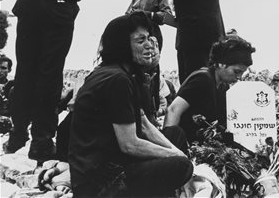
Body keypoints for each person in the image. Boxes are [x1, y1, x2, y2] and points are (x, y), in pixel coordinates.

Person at [69, 12, 193, 197]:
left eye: (149, 39)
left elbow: (144, 125)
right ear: (122, 45)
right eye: (140, 40)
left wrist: (176, 152)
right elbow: (130, 144)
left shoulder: (117, 73)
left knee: (174, 136)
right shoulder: (117, 79)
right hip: (102, 183)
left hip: (112, 166)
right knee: (181, 166)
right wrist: (178, 158)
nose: (149, 45)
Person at [4, 0, 90, 163]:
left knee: (25, 68)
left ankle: (18, 134)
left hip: (27, 2)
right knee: (50, 72)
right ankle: (42, 140)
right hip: (58, 3)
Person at [164, 35, 255, 143]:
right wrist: (170, 146)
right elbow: (173, 110)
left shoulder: (223, 87)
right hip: (185, 144)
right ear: (221, 63)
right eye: (236, 71)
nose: (239, 77)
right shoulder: (202, 79)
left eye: (242, 73)